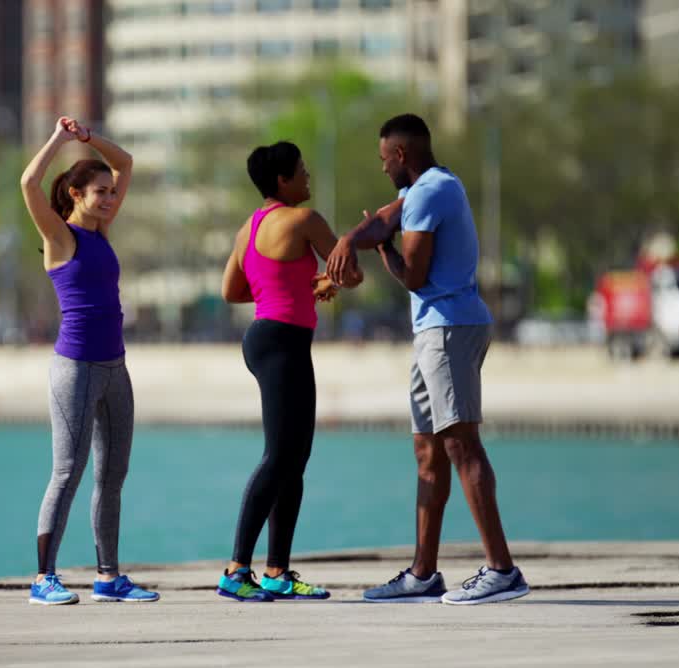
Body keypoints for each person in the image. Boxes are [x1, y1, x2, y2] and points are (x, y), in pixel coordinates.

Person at [325, 113, 530, 605]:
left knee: (461, 444)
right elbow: (381, 219)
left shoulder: (430, 192)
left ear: (400, 155)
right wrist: (350, 240)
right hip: (434, 330)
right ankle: (422, 574)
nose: (381, 169)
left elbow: (414, 276)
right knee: (427, 452)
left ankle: (502, 570)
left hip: (448, 327)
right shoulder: (428, 188)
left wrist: (382, 252)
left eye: (383, 160)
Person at [216, 141, 369, 601]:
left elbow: (232, 290)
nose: (308, 179)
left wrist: (292, 290)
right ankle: (236, 571)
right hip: (283, 343)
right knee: (281, 457)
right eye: (302, 172)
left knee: (293, 458)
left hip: (265, 336)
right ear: (283, 180)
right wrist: (334, 277)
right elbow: (353, 274)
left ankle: (278, 571)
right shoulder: (306, 221)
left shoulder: (249, 227)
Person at [19, 116, 158, 605]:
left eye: (111, 192)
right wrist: (59, 139)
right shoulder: (62, 238)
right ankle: (43, 579)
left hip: (115, 368)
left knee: (112, 475)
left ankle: (108, 576)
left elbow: (126, 162)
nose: (110, 197)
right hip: (75, 369)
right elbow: (28, 182)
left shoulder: (101, 231)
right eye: (100, 192)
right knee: (67, 473)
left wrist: (88, 138)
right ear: (76, 195)